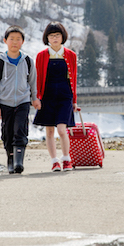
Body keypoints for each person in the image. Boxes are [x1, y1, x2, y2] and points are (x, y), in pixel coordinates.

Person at [0, 26, 41, 174]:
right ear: (5, 41)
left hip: (23, 101)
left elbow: (32, 82)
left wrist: (34, 98)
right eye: (11, 39)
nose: (15, 42)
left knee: (20, 130)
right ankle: (10, 161)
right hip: (5, 103)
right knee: (7, 133)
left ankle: (19, 162)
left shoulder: (28, 61)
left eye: (18, 39)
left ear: (22, 42)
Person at [33, 22, 80, 172]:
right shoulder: (41, 56)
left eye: (57, 35)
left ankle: (66, 159)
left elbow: (74, 79)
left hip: (65, 96)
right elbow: (38, 78)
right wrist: (37, 97)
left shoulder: (71, 55)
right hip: (47, 96)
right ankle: (54, 161)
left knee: (61, 129)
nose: (54, 38)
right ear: (47, 38)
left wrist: (74, 100)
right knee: (49, 131)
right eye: (51, 35)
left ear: (63, 37)